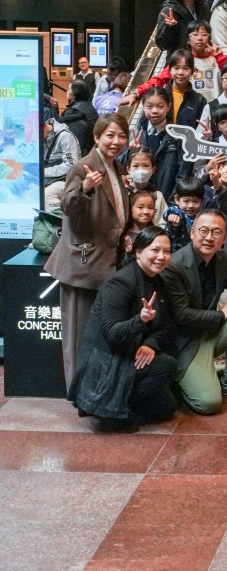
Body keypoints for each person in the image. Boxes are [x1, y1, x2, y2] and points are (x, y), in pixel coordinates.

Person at [45, 113, 132, 386]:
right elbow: (69, 206)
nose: (116, 141)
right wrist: (84, 188)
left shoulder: (115, 166)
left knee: (96, 333)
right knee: (78, 333)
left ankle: (93, 387)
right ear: (96, 137)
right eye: (110, 135)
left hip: (106, 264)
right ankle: (77, 389)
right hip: (83, 265)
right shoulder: (84, 167)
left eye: (121, 136)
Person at [68, 226, 178, 432]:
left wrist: (150, 344)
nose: (161, 257)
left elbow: (167, 325)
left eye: (167, 251)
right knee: (167, 365)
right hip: (109, 360)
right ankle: (110, 411)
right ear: (138, 251)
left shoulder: (158, 281)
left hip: (134, 351)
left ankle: (120, 405)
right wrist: (140, 320)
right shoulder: (120, 282)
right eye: (155, 250)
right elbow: (111, 334)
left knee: (168, 407)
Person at [162, 209, 227, 413]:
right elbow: (181, 315)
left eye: (216, 232)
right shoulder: (174, 265)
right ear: (192, 232)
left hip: (209, 334)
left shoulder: (223, 260)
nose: (209, 238)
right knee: (209, 404)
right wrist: (221, 315)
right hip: (184, 343)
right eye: (204, 231)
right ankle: (183, 381)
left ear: (224, 238)